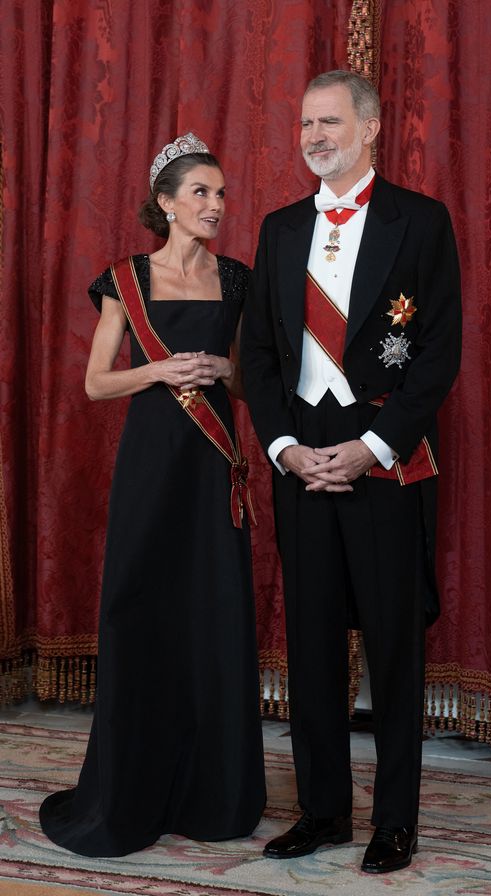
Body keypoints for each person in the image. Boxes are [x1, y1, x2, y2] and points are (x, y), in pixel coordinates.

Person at [241, 71, 461, 874]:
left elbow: (439, 354)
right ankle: (324, 810)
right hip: (301, 455)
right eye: (304, 122)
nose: (314, 135)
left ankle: (394, 822)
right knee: (311, 647)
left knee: (394, 650)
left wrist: (373, 445)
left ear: (370, 128)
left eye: (329, 121)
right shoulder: (276, 228)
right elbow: (259, 356)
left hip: (384, 454)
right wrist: (282, 447)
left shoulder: (422, 222)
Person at [39, 133, 266, 857]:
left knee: (214, 617)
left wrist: (217, 371)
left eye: (222, 193)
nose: (216, 205)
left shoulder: (237, 281)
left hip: (211, 468)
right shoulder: (125, 280)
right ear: (165, 203)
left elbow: (246, 383)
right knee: (143, 612)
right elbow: (97, 382)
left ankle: (214, 793)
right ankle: (130, 788)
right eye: (200, 193)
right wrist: (162, 371)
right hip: (150, 465)